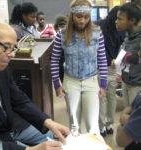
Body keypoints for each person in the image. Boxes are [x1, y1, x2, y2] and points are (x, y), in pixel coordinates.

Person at [0, 20, 70, 150]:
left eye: (14, 47)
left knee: (54, 136)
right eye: (6, 47)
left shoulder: (1, 68)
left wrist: (48, 122)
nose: (12, 54)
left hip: (12, 126)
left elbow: (19, 99)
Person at [51, 0, 107, 136]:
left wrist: (103, 84)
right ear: (72, 15)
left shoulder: (97, 33)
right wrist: (57, 84)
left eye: (86, 17)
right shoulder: (62, 35)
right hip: (71, 81)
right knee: (74, 125)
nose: (82, 21)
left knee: (92, 125)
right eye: (79, 16)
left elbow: (102, 59)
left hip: (91, 81)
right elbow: (54, 60)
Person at [95, 6, 125, 136]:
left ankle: (105, 125)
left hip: (105, 67)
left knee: (106, 97)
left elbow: (125, 48)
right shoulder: (100, 25)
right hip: (105, 67)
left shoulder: (100, 25)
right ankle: (106, 125)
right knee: (107, 97)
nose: (118, 22)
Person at [115, 2, 141, 107]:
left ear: (132, 21)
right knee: (127, 115)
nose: (116, 22)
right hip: (126, 82)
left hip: (137, 85)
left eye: (120, 19)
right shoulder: (127, 36)